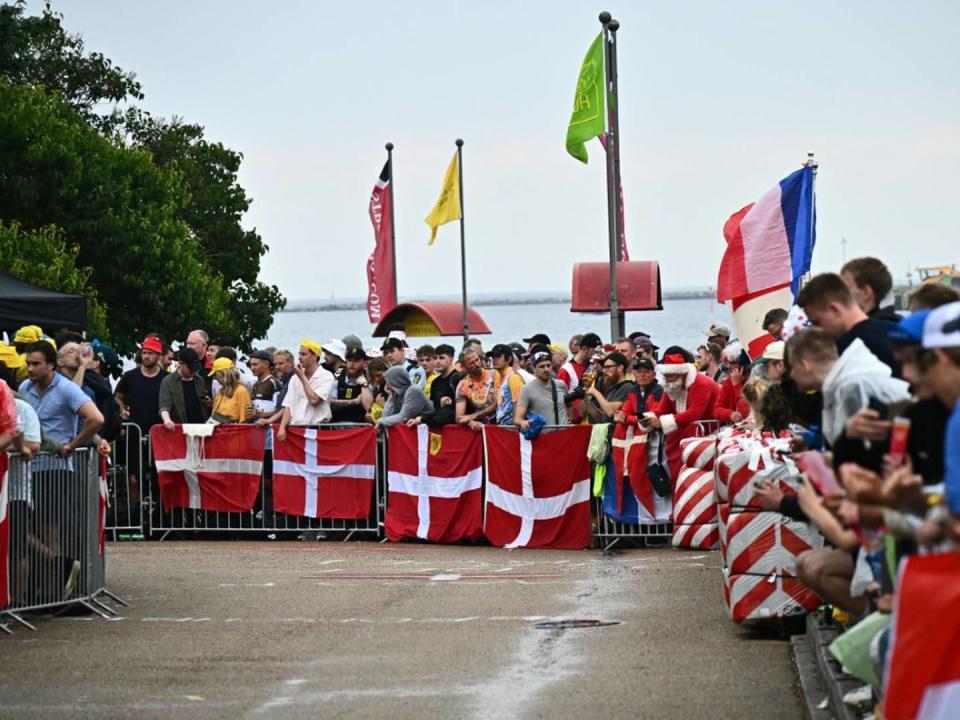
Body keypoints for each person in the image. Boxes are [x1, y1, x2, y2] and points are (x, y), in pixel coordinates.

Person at [785, 327, 909, 448]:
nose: (792, 375)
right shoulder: (844, 385)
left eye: (792, 367)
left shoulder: (852, 388)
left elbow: (864, 452)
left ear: (805, 365)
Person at [796, 272, 901, 376]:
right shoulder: (898, 333)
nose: (817, 329)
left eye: (817, 322)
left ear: (835, 309)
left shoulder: (842, 351)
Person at [643, 347, 720, 482]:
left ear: (681, 373)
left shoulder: (701, 384)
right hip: (682, 439)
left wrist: (661, 422)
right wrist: (648, 418)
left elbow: (695, 414)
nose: (667, 379)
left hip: (705, 437)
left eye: (670, 375)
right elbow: (662, 410)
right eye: (665, 376)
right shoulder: (672, 384)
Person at [277, 339, 335, 440]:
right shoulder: (295, 377)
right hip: (296, 429)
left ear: (314, 356)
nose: (299, 358)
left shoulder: (326, 376)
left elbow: (314, 400)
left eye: (303, 354)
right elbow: (288, 406)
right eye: (299, 354)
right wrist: (282, 427)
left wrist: (303, 378)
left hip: (318, 429)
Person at [515, 348, 568, 429]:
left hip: (563, 435)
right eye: (541, 366)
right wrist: (523, 422)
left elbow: (569, 406)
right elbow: (517, 419)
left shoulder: (561, 384)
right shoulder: (527, 389)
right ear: (533, 368)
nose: (546, 369)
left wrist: (570, 422)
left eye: (548, 365)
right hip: (542, 438)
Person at [158, 347, 211, 428]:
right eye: (190, 369)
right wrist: (167, 420)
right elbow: (164, 406)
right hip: (181, 429)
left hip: (202, 428)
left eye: (195, 369)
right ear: (181, 363)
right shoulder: (168, 381)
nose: (193, 372)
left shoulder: (199, 380)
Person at [841, 256, 901, 323]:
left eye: (844, 289)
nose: (838, 296)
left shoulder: (864, 331)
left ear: (866, 292)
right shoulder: (899, 326)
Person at [584, 352, 636, 423]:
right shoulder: (612, 389)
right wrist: (585, 398)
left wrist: (595, 392)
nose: (604, 371)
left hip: (618, 432)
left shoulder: (627, 387)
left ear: (620, 368)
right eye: (604, 367)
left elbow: (610, 412)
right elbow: (602, 419)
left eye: (608, 367)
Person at [418, 344, 458, 427]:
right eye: (435, 358)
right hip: (436, 425)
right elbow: (433, 408)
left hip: (453, 426)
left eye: (442, 358)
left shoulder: (458, 378)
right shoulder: (435, 382)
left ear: (451, 359)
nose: (438, 361)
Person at [455, 348, 495, 431]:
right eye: (471, 363)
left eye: (477, 360)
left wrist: (473, 416)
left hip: (500, 423)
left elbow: (497, 404)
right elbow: (458, 418)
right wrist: (470, 423)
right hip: (482, 428)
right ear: (463, 366)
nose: (477, 364)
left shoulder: (494, 375)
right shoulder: (462, 386)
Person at [331, 346, 372, 424]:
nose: (352, 364)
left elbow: (369, 409)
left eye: (356, 360)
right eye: (349, 360)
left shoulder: (368, 381)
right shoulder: (337, 380)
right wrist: (354, 402)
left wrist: (364, 385)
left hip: (359, 428)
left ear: (364, 363)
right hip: (337, 427)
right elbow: (330, 402)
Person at [714, 342, 752, 424]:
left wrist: (737, 385)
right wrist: (730, 414)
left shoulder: (754, 380)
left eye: (733, 363)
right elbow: (717, 410)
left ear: (743, 365)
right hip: (736, 427)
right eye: (728, 362)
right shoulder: (728, 381)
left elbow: (745, 412)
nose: (728, 366)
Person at [489, 344, 525, 426]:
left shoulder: (514, 378)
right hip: (502, 427)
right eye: (493, 356)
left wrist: (514, 428)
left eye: (498, 356)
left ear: (509, 359)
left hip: (512, 429)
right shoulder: (498, 377)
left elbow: (519, 404)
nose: (494, 359)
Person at [209, 359, 253, 424]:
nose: (214, 378)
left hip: (232, 430)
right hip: (217, 427)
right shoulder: (221, 391)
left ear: (223, 374)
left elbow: (246, 418)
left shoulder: (241, 391)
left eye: (215, 375)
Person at [248, 350, 282, 422]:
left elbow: (280, 410)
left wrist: (260, 414)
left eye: (255, 364)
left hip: (270, 427)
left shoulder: (274, 383)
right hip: (257, 426)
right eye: (251, 365)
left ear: (266, 364)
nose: (252, 368)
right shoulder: (255, 385)